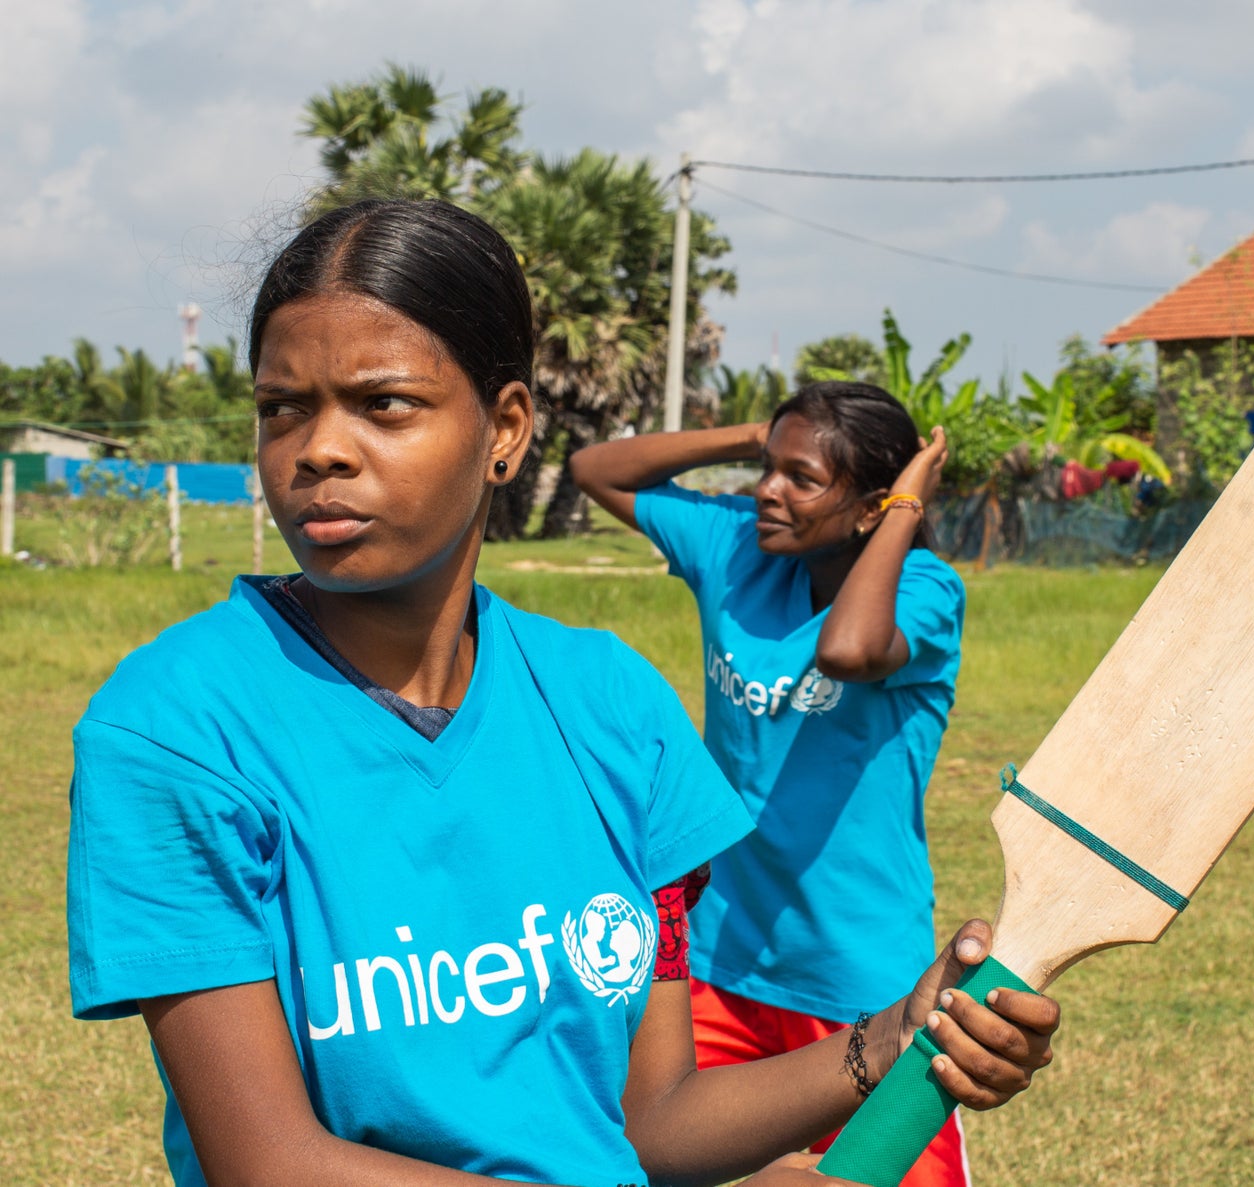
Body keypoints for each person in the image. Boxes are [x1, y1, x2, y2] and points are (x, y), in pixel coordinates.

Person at [64, 198, 1057, 1187]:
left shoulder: (612, 706)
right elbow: (269, 1164)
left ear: (504, 429)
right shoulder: (175, 728)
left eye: (384, 404)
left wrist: (887, 1039)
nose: (319, 448)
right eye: (283, 406)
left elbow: (655, 1123)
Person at [570, 380, 972, 1185]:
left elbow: (849, 651)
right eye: (767, 468)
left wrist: (902, 512)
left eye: (802, 478)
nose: (768, 492)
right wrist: (760, 434)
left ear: (871, 508)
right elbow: (597, 468)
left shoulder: (924, 591)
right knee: (661, 1163)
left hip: (864, 976)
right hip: (724, 959)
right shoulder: (736, 550)